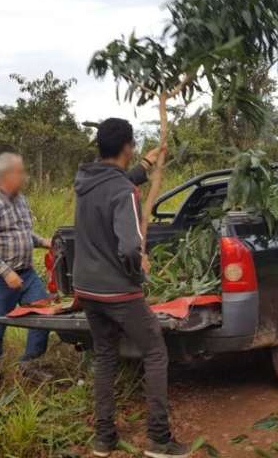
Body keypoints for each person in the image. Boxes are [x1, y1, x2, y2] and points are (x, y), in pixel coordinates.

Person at [73, 118, 190, 458]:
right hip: (118, 291)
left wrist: (145, 166)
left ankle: (103, 438)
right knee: (155, 351)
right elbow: (128, 247)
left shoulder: (85, 180)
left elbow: (114, 183)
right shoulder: (124, 191)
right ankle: (158, 438)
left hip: (88, 289)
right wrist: (137, 268)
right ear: (128, 146)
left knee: (106, 356)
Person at [0, 152, 52, 385]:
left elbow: (22, 233)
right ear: (5, 176)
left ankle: (29, 365)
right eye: (20, 172)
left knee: (43, 316)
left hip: (26, 274)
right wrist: (6, 272)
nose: (24, 176)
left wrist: (43, 241)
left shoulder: (20, 200)